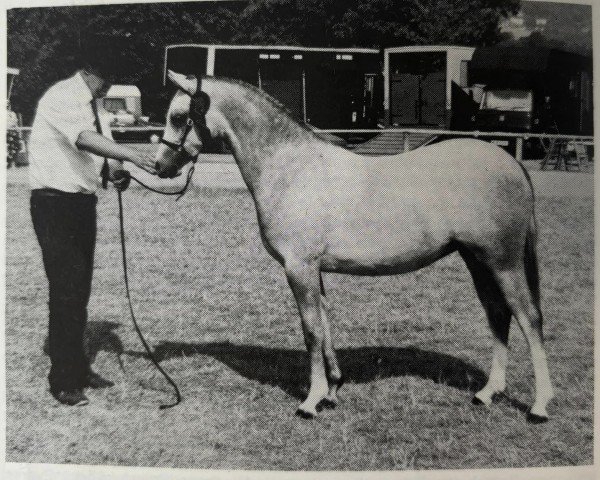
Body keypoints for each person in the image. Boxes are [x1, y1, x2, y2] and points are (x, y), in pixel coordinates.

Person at [29, 34, 157, 406]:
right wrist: (130, 154)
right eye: (106, 78)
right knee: (66, 291)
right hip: (53, 203)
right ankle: (63, 379)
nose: (109, 85)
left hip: (81, 203)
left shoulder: (94, 103)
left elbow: (100, 145)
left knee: (79, 291)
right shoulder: (61, 96)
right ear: (90, 71)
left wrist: (115, 170)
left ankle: (77, 365)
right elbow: (84, 139)